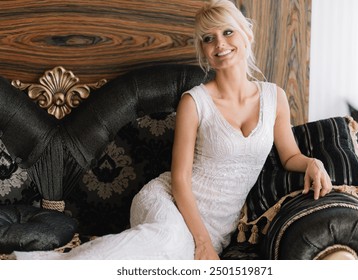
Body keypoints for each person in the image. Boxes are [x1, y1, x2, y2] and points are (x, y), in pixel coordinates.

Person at [13, 0, 332, 260]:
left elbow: (289, 155)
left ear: (247, 34)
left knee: (170, 253)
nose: (219, 43)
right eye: (208, 38)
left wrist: (312, 162)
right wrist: (202, 242)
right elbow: (179, 179)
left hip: (218, 223)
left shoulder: (274, 96)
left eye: (227, 32)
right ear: (203, 51)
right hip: (167, 200)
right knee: (169, 241)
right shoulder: (195, 102)